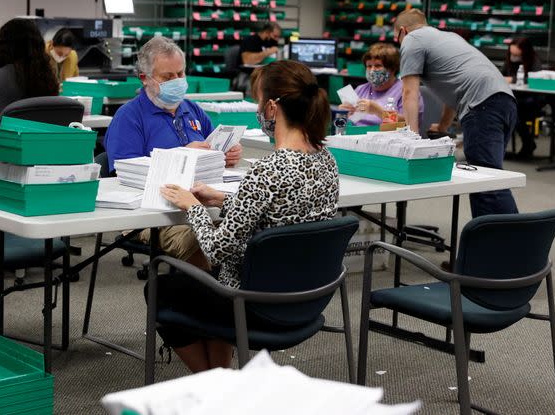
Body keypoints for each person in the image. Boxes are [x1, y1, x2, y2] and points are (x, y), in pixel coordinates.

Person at [153, 60, 340, 373]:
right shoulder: (326, 161)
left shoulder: (266, 170)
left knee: (162, 290)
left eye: (257, 101)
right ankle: (222, 376)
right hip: (306, 298)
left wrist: (193, 205)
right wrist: (225, 199)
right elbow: (282, 213)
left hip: (253, 302)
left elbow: (215, 249)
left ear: (270, 109)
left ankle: (216, 387)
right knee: (200, 289)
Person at [104, 36, 242, 268]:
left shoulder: (192, 109)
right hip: (154, 212)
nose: (177, 81)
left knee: (244, 226)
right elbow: (124, 177)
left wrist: (226, 156)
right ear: (145, 79)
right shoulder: (129, 116)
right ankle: (215, 294)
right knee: (198, 239)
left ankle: (235, 292)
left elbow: (212, 147)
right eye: (168, 77)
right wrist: (180, 155)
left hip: (201, 201)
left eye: (180, 74)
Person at [394, 8, 518, 218]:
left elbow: (409, 92)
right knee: (491, 177)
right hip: (504, 101)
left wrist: (411, 138)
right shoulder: (447, 38)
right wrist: (443, 126)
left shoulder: (412, 40)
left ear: (402, 31)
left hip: (483, 106)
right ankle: (494, 240)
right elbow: (454, 94)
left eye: (396, 38)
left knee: (485, 183)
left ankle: (515, 242)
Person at [337, 43, 423, 127]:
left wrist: (378, 112)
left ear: (392, 69)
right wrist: (343, 114)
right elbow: (347, 124)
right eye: (369, 66)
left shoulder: (406, 91)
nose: (372, 70)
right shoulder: (360, 89)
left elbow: (409, 124)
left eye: (378, 66)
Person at [502, 37, 543, 159]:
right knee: (506, 110)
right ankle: (526, 143)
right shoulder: (509, 61)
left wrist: (513, 79)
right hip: (515, 98)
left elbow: (536, 80)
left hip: (532, 100)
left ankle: (528, 143)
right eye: (511, 54)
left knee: (513, 112)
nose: (513, 57)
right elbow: (502, 74)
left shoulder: (534, 61)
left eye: (516, 54)